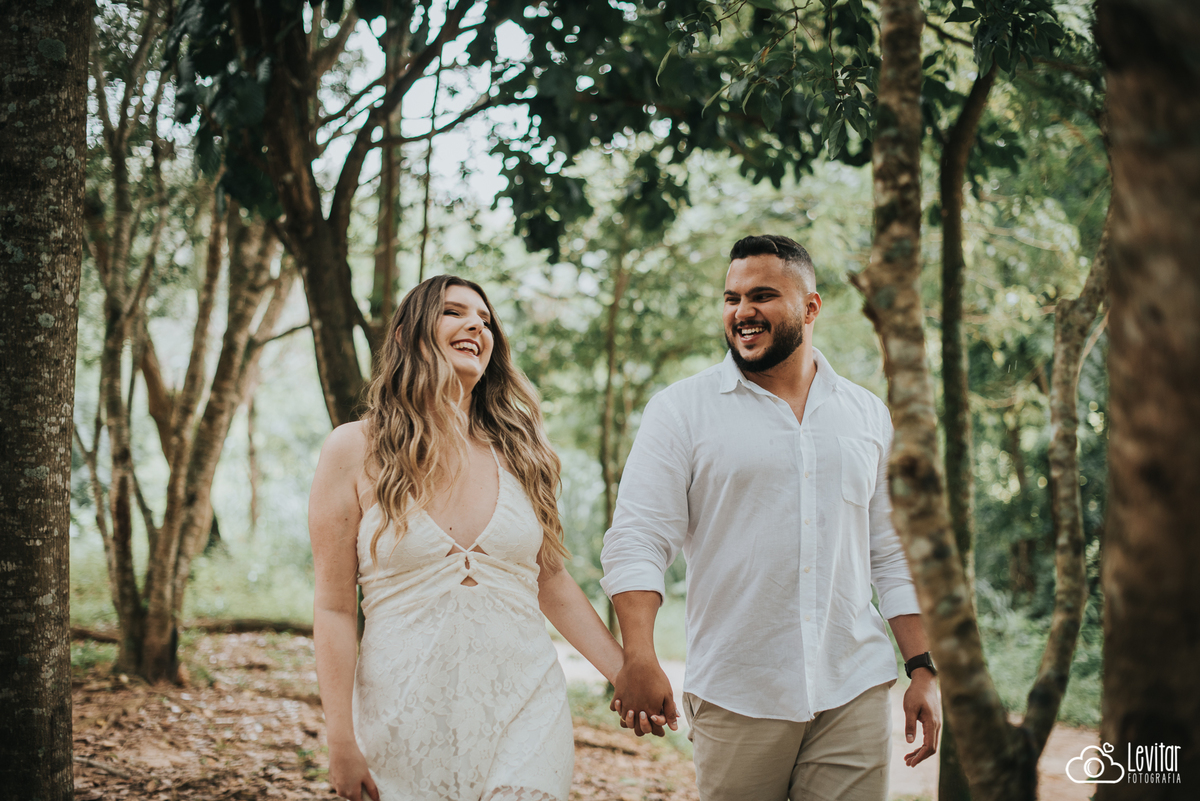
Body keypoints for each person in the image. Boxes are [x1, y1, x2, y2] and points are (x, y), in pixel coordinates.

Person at [601, 235, 942, 801]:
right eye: (732, 298)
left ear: (811, 308)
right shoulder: (680, 410)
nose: (742, 313)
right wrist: (638, 655)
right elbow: (639, 537)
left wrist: (922, 667)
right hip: (738, 690)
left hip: (852, 685)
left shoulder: (866, 414)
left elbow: (890, 550)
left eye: (762, 296)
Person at [309, 275, 632, 801]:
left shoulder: (524, 452)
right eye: (453, 312)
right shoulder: (353, 450)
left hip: (525, 703)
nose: (475, 325)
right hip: (402, 711)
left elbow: (551, 581)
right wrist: (341, 740)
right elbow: (335, 609)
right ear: (405, 336)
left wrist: (624, 672)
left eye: (484, 319)